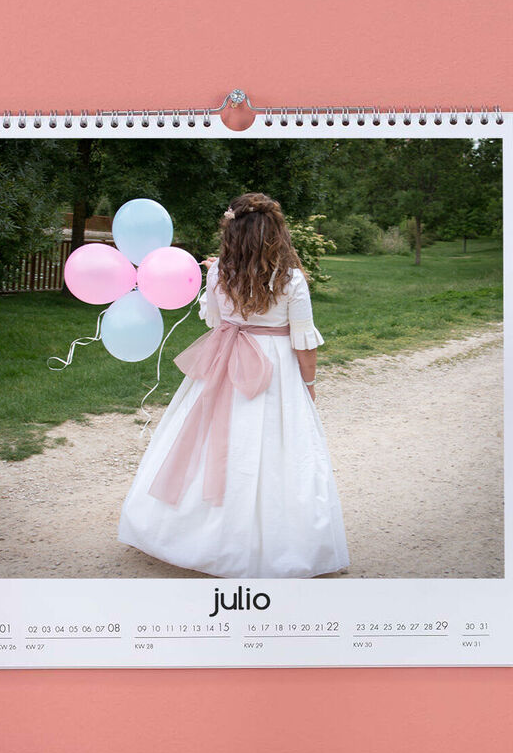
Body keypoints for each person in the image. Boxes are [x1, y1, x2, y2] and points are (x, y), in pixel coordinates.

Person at [118, 192, 350, 578]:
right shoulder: (290, 279)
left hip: (225, 361)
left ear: (232, 234)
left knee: (209, 442)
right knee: (278, 450)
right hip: (275, 372)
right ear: (277, 234)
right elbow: (302, 341)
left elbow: (214, 323)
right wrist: (308, 384)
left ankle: (191, 532)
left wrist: (219, 278)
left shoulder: (218, 273)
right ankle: (272, 539)